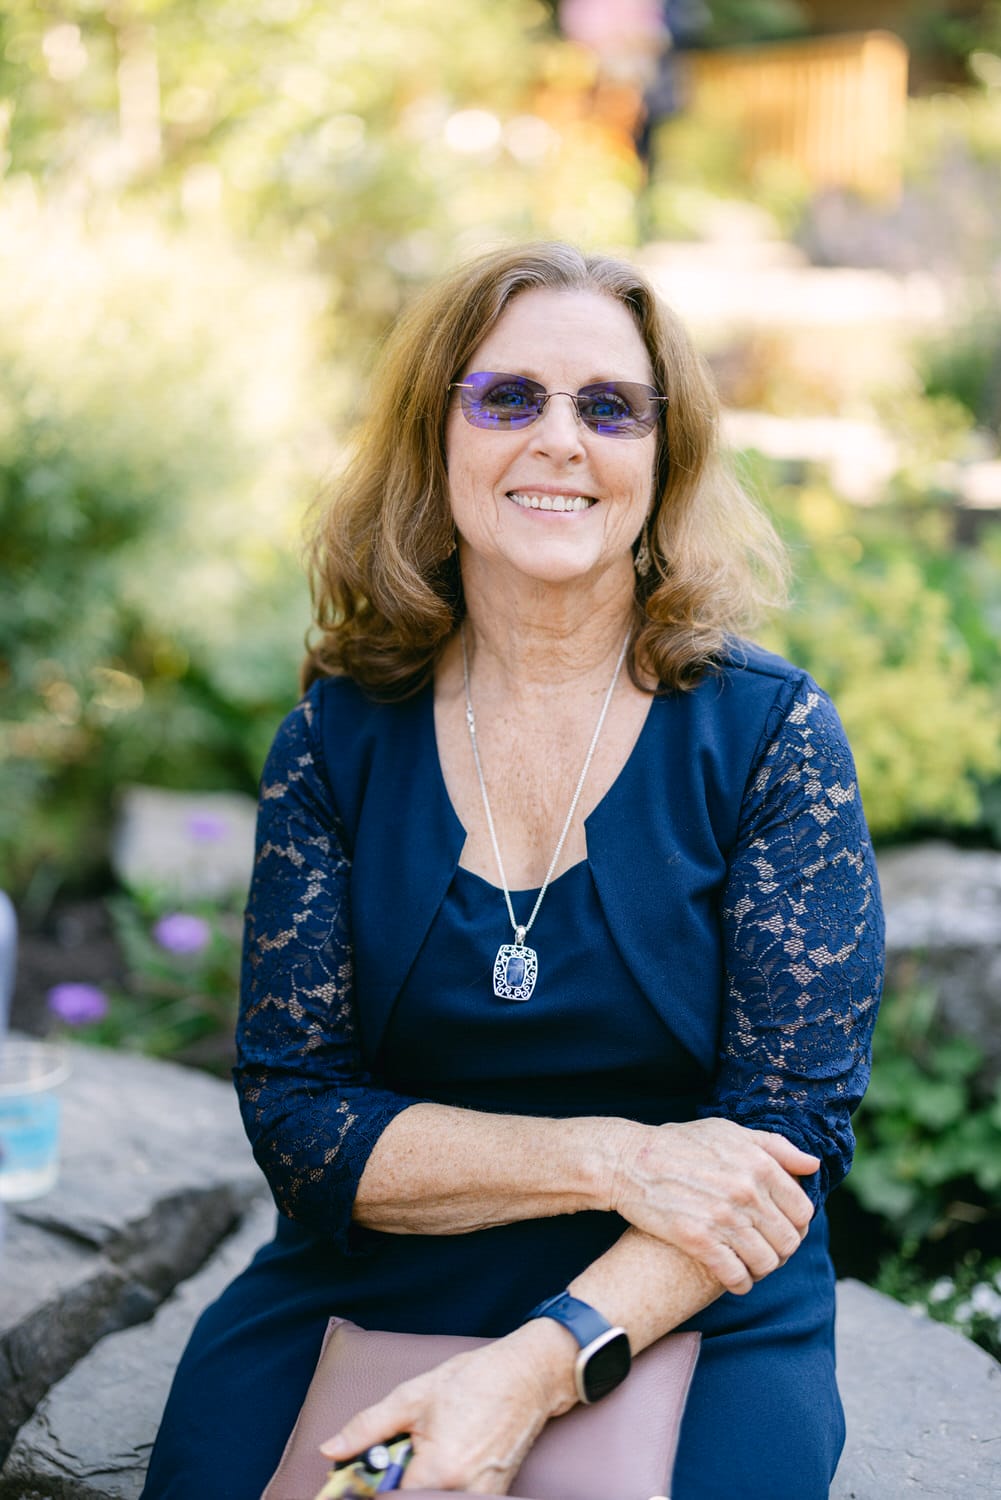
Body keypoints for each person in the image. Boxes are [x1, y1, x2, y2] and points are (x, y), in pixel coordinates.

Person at [142, 242, 884, 1500]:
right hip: (380, 1262)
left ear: (664, 458)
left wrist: (538, 1364)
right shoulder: (335, 740)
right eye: (505, 399)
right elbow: (298, 1119)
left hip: (680, 1280)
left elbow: (783, 1141)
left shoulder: (769, 737)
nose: (559, 440)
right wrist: (611, 1155)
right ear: (436, 436)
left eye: (608, 408)